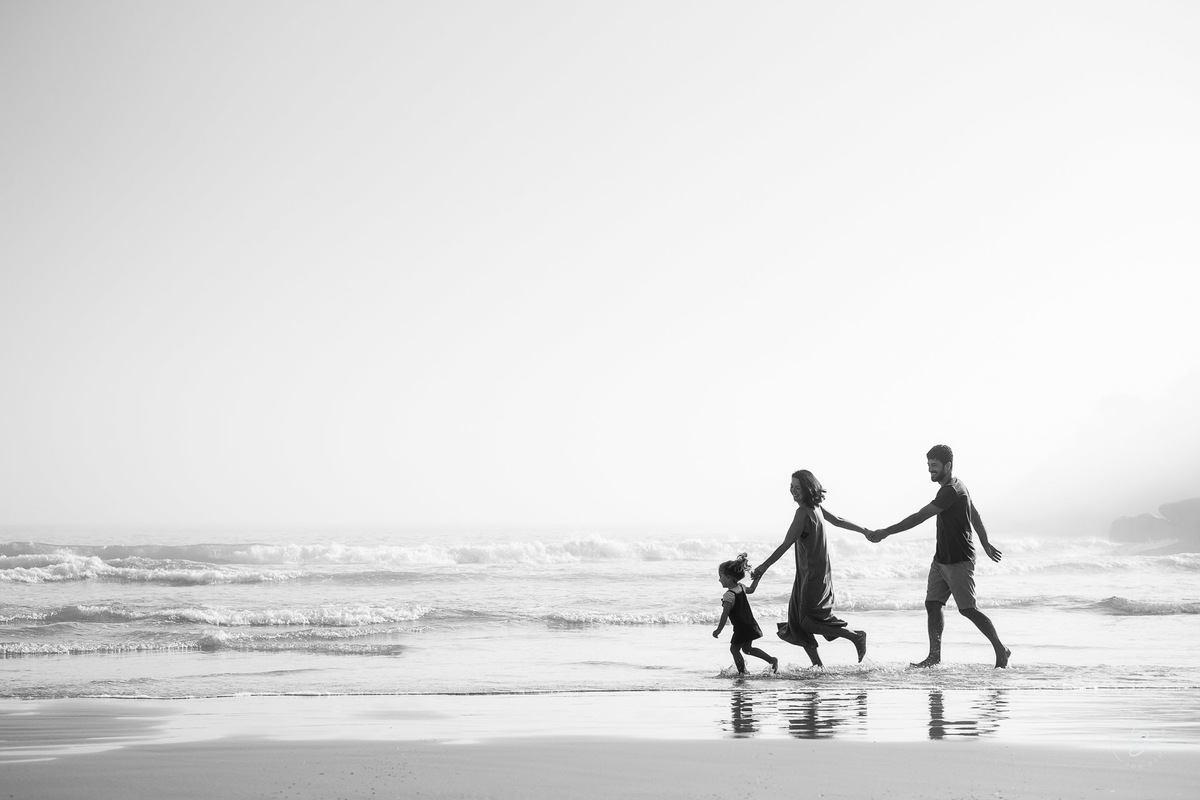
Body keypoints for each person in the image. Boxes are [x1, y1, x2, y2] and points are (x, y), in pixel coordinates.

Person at [867, 444, 1011, 668]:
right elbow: (976, 514)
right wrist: (985, 543)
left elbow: (919, 517)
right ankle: (934, 657)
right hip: (941, 558)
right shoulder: (955, 485)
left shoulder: (951, 491)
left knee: (968, 610)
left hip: (959, 559)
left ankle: (1001, 650)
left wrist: (885, 532)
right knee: (933, 605)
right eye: (928, 465)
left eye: (934, 465)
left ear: (948, 465)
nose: (930, 470)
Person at [750, 470, 869, 667]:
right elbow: (838, 521)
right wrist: (863, 530)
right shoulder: (817, 508)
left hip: (813, 574)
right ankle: (817, 665)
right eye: (791, 487)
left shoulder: (804, 512)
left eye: (798, 487)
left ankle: (855, 636)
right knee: (797, 620)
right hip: (810, 574)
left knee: (807, 620)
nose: (793, 491)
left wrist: (764, 566)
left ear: (808, 489)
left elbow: (787, 543)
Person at [713, 553, 778, 675]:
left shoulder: (729, 595)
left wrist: (718, 630)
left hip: (742, 627)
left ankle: (742, 673)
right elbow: (752, 590)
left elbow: (725, 614)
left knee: (734, 649)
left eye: (720, 576)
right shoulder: (741, 587)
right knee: (747, 649)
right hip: (750, 624)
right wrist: (758, 577)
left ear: (728, 577)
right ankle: (771, 660)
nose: (719, 579)